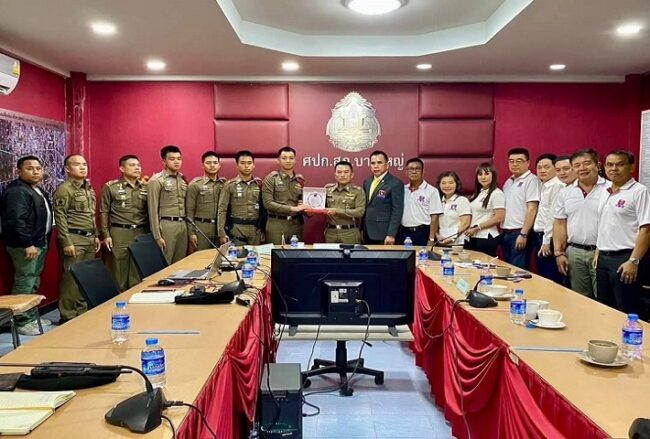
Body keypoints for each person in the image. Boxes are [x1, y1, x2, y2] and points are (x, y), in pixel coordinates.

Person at [0, 155, 53, 335]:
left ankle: (30, 316)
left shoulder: (35, 189)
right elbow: (17, 221)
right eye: (30, 168)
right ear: (19, 171)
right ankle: (21, 321)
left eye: (38, 168)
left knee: (33, 280)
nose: (35, 172)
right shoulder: (17, 191)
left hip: (38, 241)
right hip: (26, 245)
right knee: (25, 281)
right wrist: (27, 243)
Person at [595, 151, 650, 314]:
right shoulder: (605, 190)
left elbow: (646, 229)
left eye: (620, 164)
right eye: (610, 165)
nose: (614, 169)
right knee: (604, 308)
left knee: (626, 308)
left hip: (625, 258)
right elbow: (604, 224)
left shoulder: (639, 191)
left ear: (631, 167)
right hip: (603, 258)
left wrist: (634, 261)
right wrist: (598, 250)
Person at [553, 149, 610, 298]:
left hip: (602, 253)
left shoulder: (610, 189)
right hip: (574, 252)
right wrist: (558, 253)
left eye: (587, 163)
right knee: (580, 298)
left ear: (598, 165)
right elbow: (559, 223)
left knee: (603, 299)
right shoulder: (565, 192)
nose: (582, 168)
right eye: (577, 165)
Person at [53, 154, 100, 322]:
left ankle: (82, 311)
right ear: (67, 169)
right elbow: (60, 217)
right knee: (71, 279)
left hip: (89, 238)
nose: (82, 167)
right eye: (77, 164)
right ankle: (67, 315)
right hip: (74, 238)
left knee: (85, 277)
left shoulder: (88, 188)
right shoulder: (64, 189)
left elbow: (90, 215)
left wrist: (95, 235)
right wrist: (66, 242)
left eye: (84, 164)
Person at [100, 154, 148, 291]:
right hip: (120, 232)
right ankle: (117, 300)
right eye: (132, 165)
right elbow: (104, 212)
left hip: (140, 231)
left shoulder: (145, 187)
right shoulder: (111, 187)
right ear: (122, 168)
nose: (137, 168)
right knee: (119, 269)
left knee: (137, 269)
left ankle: (134, 298)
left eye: (138, 165)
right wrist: (106, 235)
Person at [148, 145, 188, 264]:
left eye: (179, 159)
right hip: (166, 226)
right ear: (164, 161)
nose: (176, 162)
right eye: (172, 159)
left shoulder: (182, 179)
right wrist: (157, 236)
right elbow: (152, 210)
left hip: (182, 225)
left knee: (180, 263)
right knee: (166, 263)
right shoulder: (156, 180)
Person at [501, 147, 540, 269]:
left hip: (520, 233)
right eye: (511, 161)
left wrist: (523, 234)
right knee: (509, 270)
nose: (515, 164)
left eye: (519, 161)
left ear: (528, 163)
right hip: (506, 233)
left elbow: (532, 208)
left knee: (518, 273)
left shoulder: (532, 180)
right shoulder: (508, 182)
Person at [217, 150, 266, 245]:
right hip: (236, 229)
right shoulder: (229, 185)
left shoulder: (259, 184)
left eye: (249, 163)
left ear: (254, 165)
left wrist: (263, 229)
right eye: (243, 163)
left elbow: (263, 209)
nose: (246, 166)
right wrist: (221, 233)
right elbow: (222, 209)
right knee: (237, 254)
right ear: (237, 165)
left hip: (255, 230)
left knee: (255, 254)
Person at [262, 146, 307, 244]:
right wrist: (293, 209)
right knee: (276, 252)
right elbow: (268, 203)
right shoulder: (271, 178)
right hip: (276, 225)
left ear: (295, 160)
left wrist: (309, 209)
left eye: (291, 158)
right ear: (278, 160)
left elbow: (302, 203)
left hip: (295, 225)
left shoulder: (300, 180)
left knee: (295, 253)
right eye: (284, 158)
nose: (288, 161)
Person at [532, 153, 564, 282]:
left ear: (555, 168)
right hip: (540, 236)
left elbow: (553, 215)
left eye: (546, 167)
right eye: (539, 167)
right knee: (543, 276)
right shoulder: (544, 185)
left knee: (550, 278)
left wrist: (546, 241)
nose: (542, 170)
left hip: (549, 239)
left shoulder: (557, 185)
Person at [362, 150, 404, 245]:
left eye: (379, 162)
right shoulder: (367, 181)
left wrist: (391, 234)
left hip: (384, 233)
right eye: (373, 163)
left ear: (387, 165)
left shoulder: (395, 183)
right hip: (367, 231)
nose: (376, 166)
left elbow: (397, 211)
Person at [186, 151, 225, 250]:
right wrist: (191, 233)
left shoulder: (224, 184)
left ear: (219, 165)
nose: (212, 165)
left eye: (215, 163)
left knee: (218, 257)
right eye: (208, 163)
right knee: (200, 257)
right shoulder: (195, 185)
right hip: (201, 228)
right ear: (202, 165)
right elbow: (189, 211)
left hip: (218, 229)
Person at [399, 158, 443, 246]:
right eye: (411, 169)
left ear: (423, 171)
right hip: (404, 232)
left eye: (417, 169)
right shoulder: (402, 189)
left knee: (423, 255)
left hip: (423, 232)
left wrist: (431, 238)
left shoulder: (432, 191)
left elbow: (434, 217)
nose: (414, 171)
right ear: (406, 172)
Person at [464, 163, 505, 257]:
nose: (483, 177)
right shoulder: (478, 193)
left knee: (484, 265)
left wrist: (478, 227)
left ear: (493, 175)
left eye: (486, 174)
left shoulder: (496, 193)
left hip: (486, 237)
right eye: (480, 174)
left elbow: (499, 217)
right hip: (473, 236)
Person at [324, 161, 366, 244]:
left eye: (346, 172)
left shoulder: (358, 191)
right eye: (339, 172)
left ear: (352, 175)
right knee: (330, 252)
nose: (342, 175)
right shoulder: (327, 190)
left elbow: (359, 212)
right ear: (335, 175)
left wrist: (337, 211)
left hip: (349, 233)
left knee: (351, 253)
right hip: (331, 232)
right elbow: (319, 207)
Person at [436, 171, 471, 246]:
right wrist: (437, 236)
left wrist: (452, 238)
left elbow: (465, 224)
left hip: (459, 243)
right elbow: (434, 222)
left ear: (457, 184)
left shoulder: (462, 200)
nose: (447, 186)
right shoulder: (438, 201)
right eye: (443, 183)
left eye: (451, 183)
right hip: (441, 242)